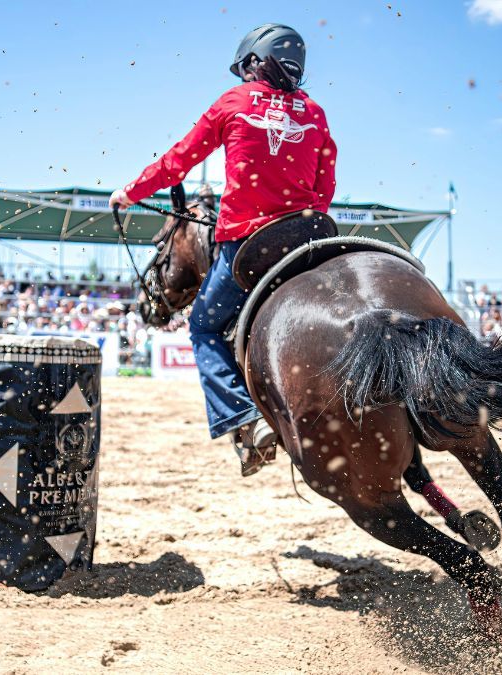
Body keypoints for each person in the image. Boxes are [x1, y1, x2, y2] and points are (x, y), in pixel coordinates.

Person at [109, 23, 338, 476]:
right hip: (308, 236)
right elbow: (324, 185)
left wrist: (130, 193)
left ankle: (244, 420)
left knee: (203, 328)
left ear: (254, 61)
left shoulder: (233, 103)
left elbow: (179, 159)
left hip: (249, 244)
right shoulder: (314, 112)